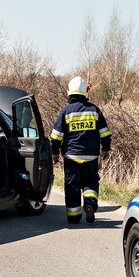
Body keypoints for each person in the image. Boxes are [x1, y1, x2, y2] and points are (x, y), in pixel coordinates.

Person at [50, 76, 112, 224]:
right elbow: (105, 133)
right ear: (85, 93)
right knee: (90, 181)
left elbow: (56, 136)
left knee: (72, 186)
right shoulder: (94, 110)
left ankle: (73, 216)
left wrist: (55, 153)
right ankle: (90, 204)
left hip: (71, 156)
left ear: (69, 93)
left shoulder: (66, 111)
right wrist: (106, 149)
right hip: (91, 155)